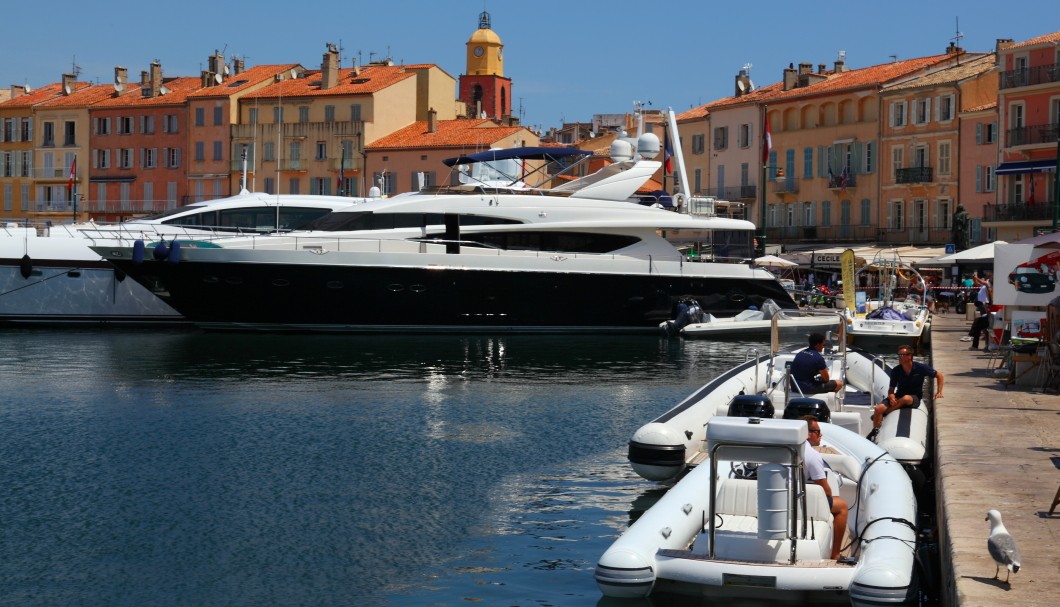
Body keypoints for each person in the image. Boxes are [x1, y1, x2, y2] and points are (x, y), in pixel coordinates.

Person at [799, 415, 849, 561]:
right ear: (807, 433)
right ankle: (835, 554)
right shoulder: (812, 455)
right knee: (842, 506)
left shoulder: (785, 446)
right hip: (798, 500)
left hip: (782, 496)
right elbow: (825, 490)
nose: (820, 435)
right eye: (817, 431)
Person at [869, 346, 943, 440]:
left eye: (901, 355)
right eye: (898, 355)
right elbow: (891, 390)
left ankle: (884, 414)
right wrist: (891, 398)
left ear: (909, 356)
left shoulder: (920, 368)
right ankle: (875, 432)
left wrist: (939, 392)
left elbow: (939, 375)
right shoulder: (896, 370)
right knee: (878, 408)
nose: (899, 357)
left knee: (906, 398)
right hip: (899, 395)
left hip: (914, 397)